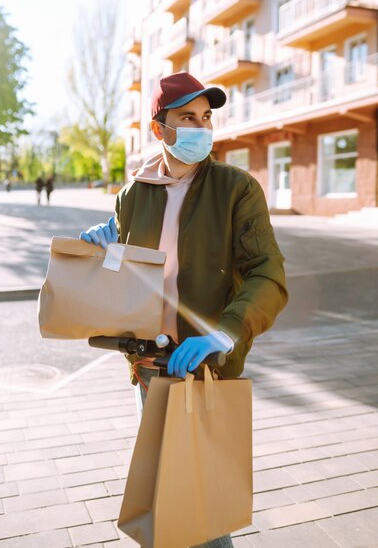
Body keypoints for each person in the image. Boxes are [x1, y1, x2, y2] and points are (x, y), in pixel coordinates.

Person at [80, 71, 288, 548]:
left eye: (206, 117)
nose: (201, 127)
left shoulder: (236, 189)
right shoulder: (134, 193)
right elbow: (128, 271)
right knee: (163, 503)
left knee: (206, 514)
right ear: (160, 129)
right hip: (150, 367)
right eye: (187, 117)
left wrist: (224, 332)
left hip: (207, 369)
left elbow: (267, 274)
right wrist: (104, 245)